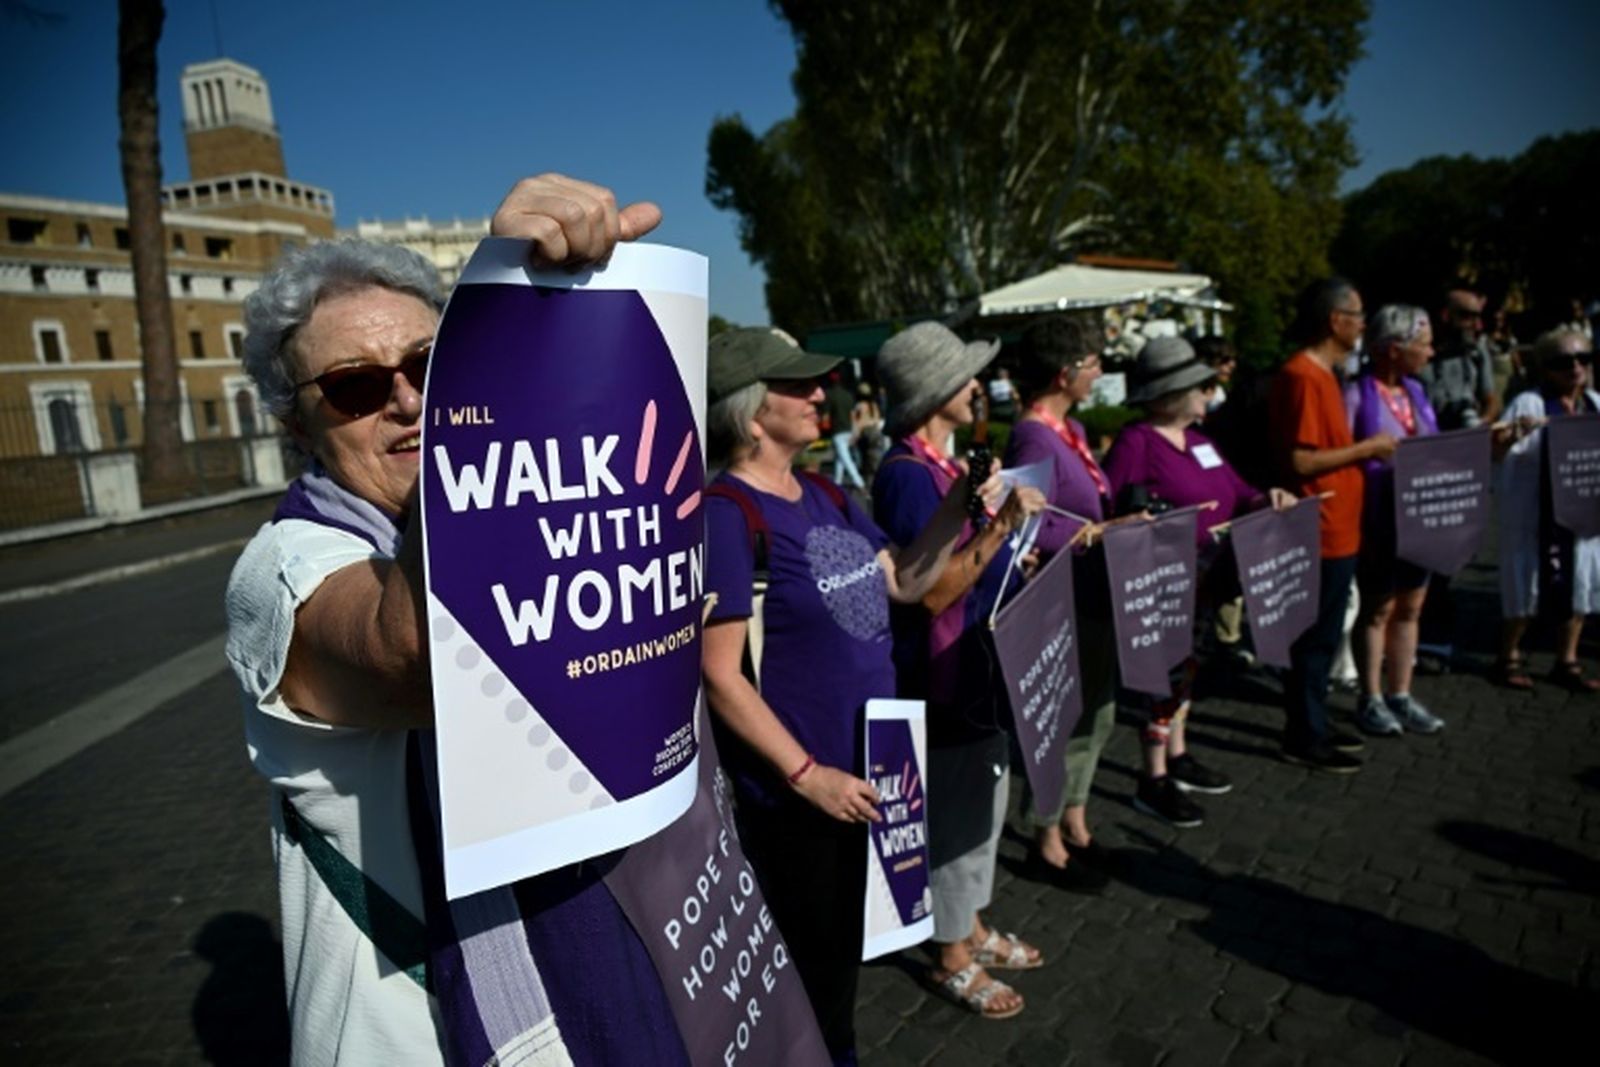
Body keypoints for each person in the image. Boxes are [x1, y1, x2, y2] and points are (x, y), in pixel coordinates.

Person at [225, 175, 691, 1064]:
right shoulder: (280, 569)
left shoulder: (514, 510)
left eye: (431, 362)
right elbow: (422, 647)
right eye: (357, 385)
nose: (407, 400)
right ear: (296, 422)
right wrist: (508, 342)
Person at [700, 327, 996, 1058]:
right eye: (795, 384)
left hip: (874, 768)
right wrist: (807, 775)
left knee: (839, 968)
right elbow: (718, 672)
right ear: (749, 409)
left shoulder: (827, 491)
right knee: (814, 979)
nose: (817, 394)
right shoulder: (726, 512)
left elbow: (903, 580)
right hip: (802, 794)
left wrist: (959, 505)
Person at [873, 322, 1047, 1021]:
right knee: (954, 811)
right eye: (966, 377)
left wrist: (1016, 549)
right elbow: (935, 591)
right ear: (934, 393)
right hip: (944, 679)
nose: (979, 386)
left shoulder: (945, 464)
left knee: (984, 805)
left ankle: (969, 922)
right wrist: (1004, 526)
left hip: (979, 666)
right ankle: (949, 952)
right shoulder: (907, 475)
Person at [1104, 336, 1295, 825]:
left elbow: (1240, 492)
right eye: (1201, 386)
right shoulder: (1137, 442)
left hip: (1205, 584)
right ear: (1171, 394)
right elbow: (1114, 510)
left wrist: (1265, 499)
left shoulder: (1201, 443)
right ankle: (1153, 777)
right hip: (1162, 586)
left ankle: (1177, 755)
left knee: (1185, 672)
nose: (1209, 393)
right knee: (1161, 680)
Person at [1002, 314, 1119, 887]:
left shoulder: (1065, 430)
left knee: (1098, 713)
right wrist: (1088, 534)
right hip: (1062, 598)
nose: (1100, 373)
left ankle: (1075, 823)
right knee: (1067, 719)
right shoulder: (1032, 435)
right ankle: (1045, 839)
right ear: (1066, 372)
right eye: (1093, 363)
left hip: (1091, 588)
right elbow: (1025, 524)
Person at [1268, 278, 1394, 774]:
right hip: (1318, 528)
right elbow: (1301, 461)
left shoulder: (1324, 375)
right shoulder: (1302, 375)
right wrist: (1368, 448)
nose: (1363, 324)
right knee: (1314, 640)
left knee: (1324, 635)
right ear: (1334, 320)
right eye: (1358, 314)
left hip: (1339, 525)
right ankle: (1304, 732)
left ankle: (1314, 720)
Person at [1343, 306, 1447, 736]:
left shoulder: (1416, 392)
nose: (1430, 352)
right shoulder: (1354, 395)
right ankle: (1370, 697)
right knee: (1377, 608)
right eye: (1423, 345)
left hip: (1418, 516)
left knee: (1411, 606)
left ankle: (1400, 694)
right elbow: (1343, 454)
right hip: (1378, 518)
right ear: (1392, 350)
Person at [1494, 327, 1600, 692]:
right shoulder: (1529, 404)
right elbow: (1494, 451)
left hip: (1582, 511)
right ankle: (1509, 654)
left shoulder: (1596, 404)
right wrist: (1510, 437)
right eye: (1562, 361)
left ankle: (1566, 659)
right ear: (1545, 367)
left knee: (1581, 582)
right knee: (1527, 583)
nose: (1574, 368)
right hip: (1533, 512)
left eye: (1582, 358)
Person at [1415, 284, 1500, 673]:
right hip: (1422, 459)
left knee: (1450, 555)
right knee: (1416, 555)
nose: (1475, 324)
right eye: (1467, 315)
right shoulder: (1421, 349)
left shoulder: (1475, 350)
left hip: (1460, 459)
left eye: (1477, 316)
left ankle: (1437, 639)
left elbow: (1491, 398)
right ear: (1446, 315)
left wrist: (1477, 426)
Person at [823, 370, 867, 490]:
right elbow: (852, 415)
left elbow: (826, 416)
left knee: (845, 457)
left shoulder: (829, 394)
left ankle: (858, 481)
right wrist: (854, 430)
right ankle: (837, 481)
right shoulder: (848, 395)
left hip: (837, 429)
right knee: (840, 457)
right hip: (848, 429)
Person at [852, 380, 887, 480]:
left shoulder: (859, 406)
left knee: (865, 459)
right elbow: (877, 418)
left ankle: (867, 480)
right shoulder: (874, 405)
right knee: (876, 456)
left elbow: (858, 422)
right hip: (875, 432)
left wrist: (855, 435)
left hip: (865, 433)